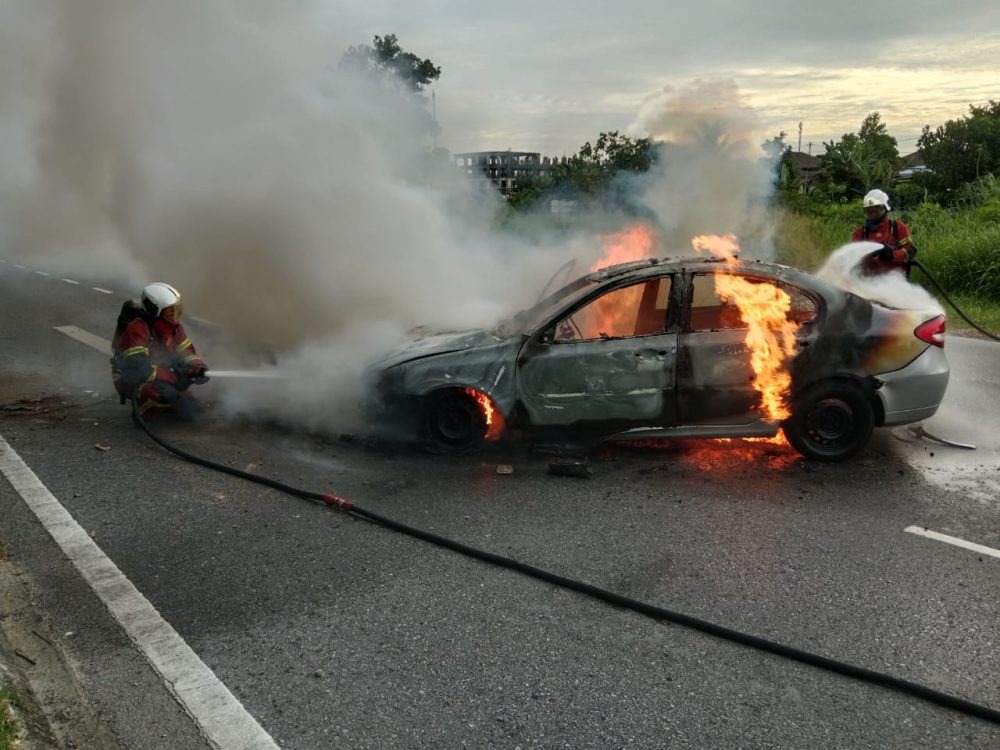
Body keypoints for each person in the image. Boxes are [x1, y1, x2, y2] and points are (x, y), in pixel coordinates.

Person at [111, 282, 210, 421]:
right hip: (129, 378)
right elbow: (137, 367)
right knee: (163, 395)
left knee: (194, 412)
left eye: (175, 308)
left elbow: (187, 352)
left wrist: (198, 368)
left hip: (159, 373)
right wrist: (172, 378)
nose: (173, 313)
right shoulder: (138, 328)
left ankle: (167, 403)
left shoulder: (175, 328)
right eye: (169, 309)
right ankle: (142, 412)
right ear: (154, 309)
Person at [852, 189, 916, 275]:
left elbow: (910, 251)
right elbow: (855, 258)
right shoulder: (860, 233)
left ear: (885, 209)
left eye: (875, 211)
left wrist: (891, 255)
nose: (872, 214)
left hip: (896, 281)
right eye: (868, 211)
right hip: (868, 282)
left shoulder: (898, 227)